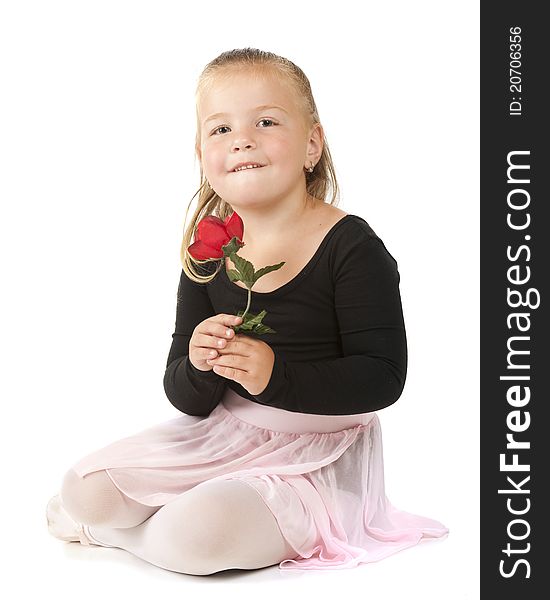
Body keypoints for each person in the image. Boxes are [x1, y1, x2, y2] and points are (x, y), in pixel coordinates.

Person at [46, 47, 448, 576]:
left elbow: (383, 377)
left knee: (193, 536)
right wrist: (199, 362)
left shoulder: (352, 246)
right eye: (220, 129)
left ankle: (134, 537)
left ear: (311, 144)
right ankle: (141, 525)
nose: (242, 139)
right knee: (82, 490)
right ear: (202, 154)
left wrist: (276, 377)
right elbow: (184, 397)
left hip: (316, 458)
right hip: (224, 436)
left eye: (265, 121)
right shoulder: (207, 250)